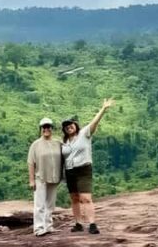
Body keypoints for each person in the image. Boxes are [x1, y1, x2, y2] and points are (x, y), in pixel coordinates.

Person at [61, 99, 115, 234]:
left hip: (83, 170)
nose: (69, 127)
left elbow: (94, 122)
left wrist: (103, 109)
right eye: (66, 126)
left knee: (86, 198)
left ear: (76, 125)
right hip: (70, 171)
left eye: (71, 124)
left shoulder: (84, 133)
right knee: (74, 198)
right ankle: (78, 223)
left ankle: (92, 224)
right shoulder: (65, 141)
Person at [27, 117, 63, 236]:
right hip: (40, 177)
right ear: (41, 129)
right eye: (44, 127)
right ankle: (39, 228)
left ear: (52, 128)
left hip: (54, 177)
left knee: (50, 204)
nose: (46, 129)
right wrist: (31, 180)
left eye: (48, 127)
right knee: (40, 204)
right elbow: (31, 162)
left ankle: (48, 226)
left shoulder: (58, 143)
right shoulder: (35, 145)